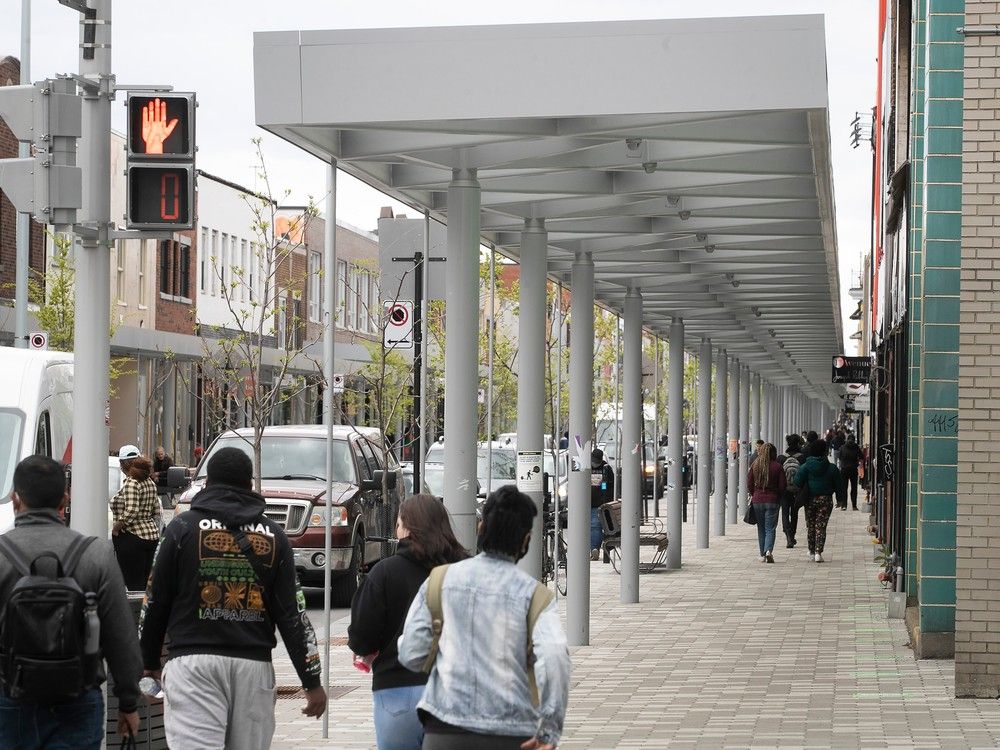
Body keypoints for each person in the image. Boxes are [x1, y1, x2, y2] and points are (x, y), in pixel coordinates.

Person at [139, 447, 326, 749]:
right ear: (250, 485)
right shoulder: (273, 536)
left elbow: (154, 601)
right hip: (252, 666)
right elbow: (293, 616)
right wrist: (311, 680)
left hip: (193, 665)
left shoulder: (181, 529)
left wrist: (148, 663)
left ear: (208, 483)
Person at [398, 485, 571, 749]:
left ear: (481, 529)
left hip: (445, 729)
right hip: (512, 734)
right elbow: (556, 657)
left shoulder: (440, 581)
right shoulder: (536, 597)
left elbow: (411, 653)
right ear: (526, 540)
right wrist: (549, 731)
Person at [0, 456, 142, 748]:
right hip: (77, 700)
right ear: (65, 499)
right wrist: (128, 702)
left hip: (8, 701)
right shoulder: (96, 555)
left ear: (16, 500)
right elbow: (121, 637)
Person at [349, 494, 469, 750]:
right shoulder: (466, 570)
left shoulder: (384, 572)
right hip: (456, 691)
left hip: (396, 689)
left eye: (398, 523)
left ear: (406, 529)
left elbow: (362, 635)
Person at [110, 445, 161, 590]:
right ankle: (146, 612)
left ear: (123, 464)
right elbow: (156, 510)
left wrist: (116, 528)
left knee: (133, 585)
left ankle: (135, 612)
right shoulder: (150, 481)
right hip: (151, 536)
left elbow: (131, 510)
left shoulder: (131, 483)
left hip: (132, 538)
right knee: (146, 584)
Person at [794, 439, 843, 563]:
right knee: (821, 526)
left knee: (810, 525)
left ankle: (811, 550)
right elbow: (839, 485)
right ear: (824, 452)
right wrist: (840, 499)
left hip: (809, 499)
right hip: (825, 500)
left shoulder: (806, 466)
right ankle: (818, 552)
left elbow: (797, 481)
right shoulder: (831, 468)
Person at [748, 442, 785, 564]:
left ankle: (762, 554)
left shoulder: (755, 465)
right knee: (770, 528)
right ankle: (768, 551)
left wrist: (755, 494)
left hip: (758, 500)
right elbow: (782, 486)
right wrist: (778, 496)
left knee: (761, 528)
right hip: (773, 500)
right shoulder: (778, 467)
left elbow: (749, 483)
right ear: (773, 453)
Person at [589, 449, 614, 561]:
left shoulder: (606, 468)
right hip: (584, 502)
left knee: (595, 526)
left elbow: (609, 486)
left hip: (598, 503)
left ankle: (594, 548)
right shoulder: (585, 467)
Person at [838, 434, 861, 510]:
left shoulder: (842, 447)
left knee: (844, 488)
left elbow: (840, 457)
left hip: (844, 469)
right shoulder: (856, 447)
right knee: (854, 488)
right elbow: (861, 456)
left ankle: (844, 505)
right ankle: (854, 506)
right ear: (854, 440)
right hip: (853, 469)